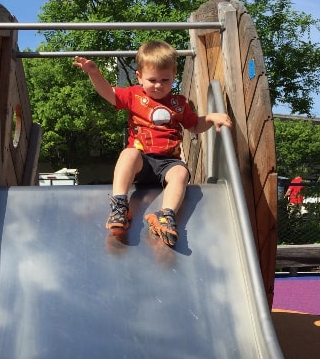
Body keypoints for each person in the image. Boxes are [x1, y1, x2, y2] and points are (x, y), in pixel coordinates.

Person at [74, 40, 232, 246]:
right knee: (128, 154)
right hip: (142, 161)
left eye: (165, 80)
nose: (158, 85)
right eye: (152, 79)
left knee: (181, 173)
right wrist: (94, 73)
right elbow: (109, 94)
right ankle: (120, 205)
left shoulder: (179, 103)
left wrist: (210, 119)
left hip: (168, 162)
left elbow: (194, 126)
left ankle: (166, 215)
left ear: (174, 76)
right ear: (139, 77)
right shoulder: (133, 95)